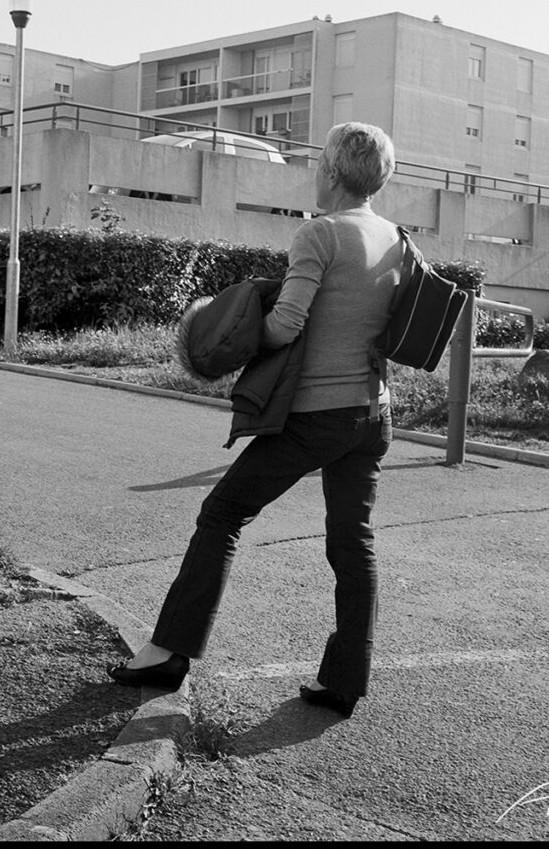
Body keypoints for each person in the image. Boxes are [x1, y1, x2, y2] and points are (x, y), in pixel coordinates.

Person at [108, 122, 403, 718]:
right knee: (353, 542)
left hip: (317, 414)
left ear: (332, 171)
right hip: (374, 415)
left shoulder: (320, 233)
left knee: (222, 514)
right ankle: (345, 680)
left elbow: (287, 322)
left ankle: (169, 651)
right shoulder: (395, 236)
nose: (314, 171)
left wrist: (234, 337)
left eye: (318, 161)